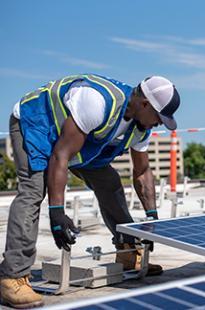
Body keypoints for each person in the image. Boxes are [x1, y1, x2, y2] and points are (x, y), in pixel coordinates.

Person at [0, 74, 180, 308]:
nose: (158, 123)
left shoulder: (140, 127)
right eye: (158, 117)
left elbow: (142, 173)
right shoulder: (97, 102)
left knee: (109, 181)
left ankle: (127, 250)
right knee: (33, 190)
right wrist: (57, 213)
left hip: (76, 142)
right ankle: (12, 275)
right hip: (37, 125)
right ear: (144, 103)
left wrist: (152, 220)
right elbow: (60, 156)